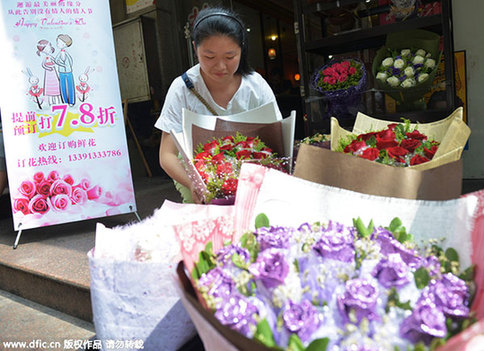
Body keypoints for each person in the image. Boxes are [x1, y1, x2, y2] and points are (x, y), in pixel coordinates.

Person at [154, 7, 281, 203]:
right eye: (209, 57)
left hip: (250, 170)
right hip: (196, 174)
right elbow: (167, 154)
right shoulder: (182, 89)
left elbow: (278, 145)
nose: (221, 66)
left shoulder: (255, 86)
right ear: (195, 48)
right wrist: (192, 184)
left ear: (242, 49)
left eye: (230, 57)